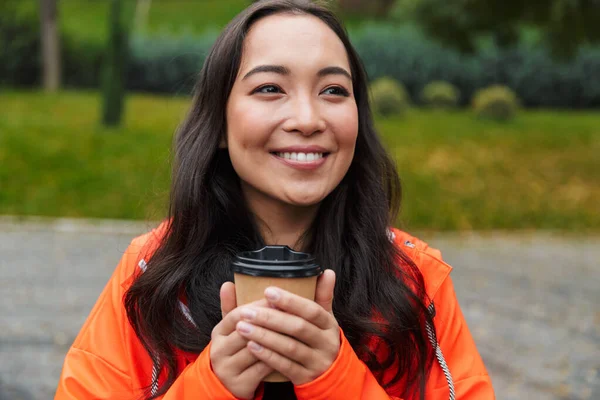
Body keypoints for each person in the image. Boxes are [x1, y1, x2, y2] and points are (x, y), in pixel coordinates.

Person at [55, 0, 494, 399]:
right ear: (219, 124)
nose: (307, 119)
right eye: (270, 88)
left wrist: (337, 380)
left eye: (333, 91)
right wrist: (212, 386)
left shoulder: (415, 280)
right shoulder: (153, 272)